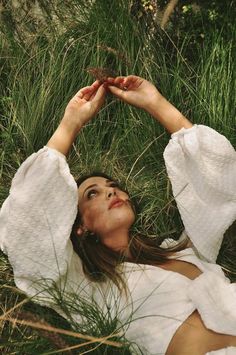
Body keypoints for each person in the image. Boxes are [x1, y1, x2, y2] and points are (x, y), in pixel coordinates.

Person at [0, 75, 236, 355]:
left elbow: (219, 181)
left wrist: (156, 103)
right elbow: (25, 224)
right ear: (79, 226)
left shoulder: (183, 250)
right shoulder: (88, 287)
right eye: (92, 194)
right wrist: (70, 124)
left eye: (114, 187)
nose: (112, 192)